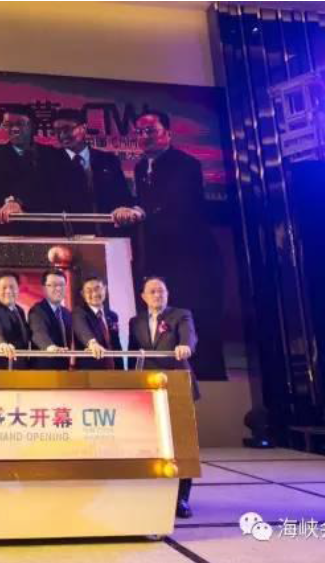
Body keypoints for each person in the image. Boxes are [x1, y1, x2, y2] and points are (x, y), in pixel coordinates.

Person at [133, 110, 226, 378]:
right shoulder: (140, 167)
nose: (144, 137)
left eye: (151, 131)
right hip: (161, 258)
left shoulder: (186, 165)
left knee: (198, 319)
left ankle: (211, 379)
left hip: (193, 258)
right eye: (139, 132)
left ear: (168, 133)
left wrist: (142, 211)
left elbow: (178, 205)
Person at [128, 276, 200, 519]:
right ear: (143, 296)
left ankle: (181, 499)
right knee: (149, 445)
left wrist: (185, 346)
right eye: (152, 291)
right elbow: (133, 352)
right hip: (147, 390)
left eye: (161, 291)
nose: (157, 295)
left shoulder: (181, 315)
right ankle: (152, 495)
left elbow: (189, 336)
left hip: (176, 386)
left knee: (180, 445)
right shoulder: (135, 321)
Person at [46, 108, 143, 234]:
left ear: (84, 128)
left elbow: (123, 196)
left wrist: (125, 209)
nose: (62, 135)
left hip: (108, 232)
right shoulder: (50, 163)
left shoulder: (108, 160)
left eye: (67, 129)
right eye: (57, 131)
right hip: (68, 236)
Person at [72, 275, 123, 370]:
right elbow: (82, 330)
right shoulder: (78, 313)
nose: (95, 294)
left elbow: (116, 345)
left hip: (114, 369)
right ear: (83, 294)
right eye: (89, 291)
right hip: (90, 371)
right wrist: (92, 343)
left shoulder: (112, 315)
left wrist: (121, 369)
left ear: (105, 289)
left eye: (97, 289)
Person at [0, 270, 30, 369]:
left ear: (18, 289)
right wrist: (1, 344)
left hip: (21, 367)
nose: (8, 291)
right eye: (4, 288)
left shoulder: (19, 310)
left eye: (12, 287)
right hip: (1, 369)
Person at [28, 269, 73, 370]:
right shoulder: (37, 310)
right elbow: (38, 332)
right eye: (53, 285)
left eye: (62, 285)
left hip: (64, 368)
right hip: (43, 369)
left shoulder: (66, 313)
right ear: (44, 288)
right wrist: (49, 347)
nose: (58, 288)